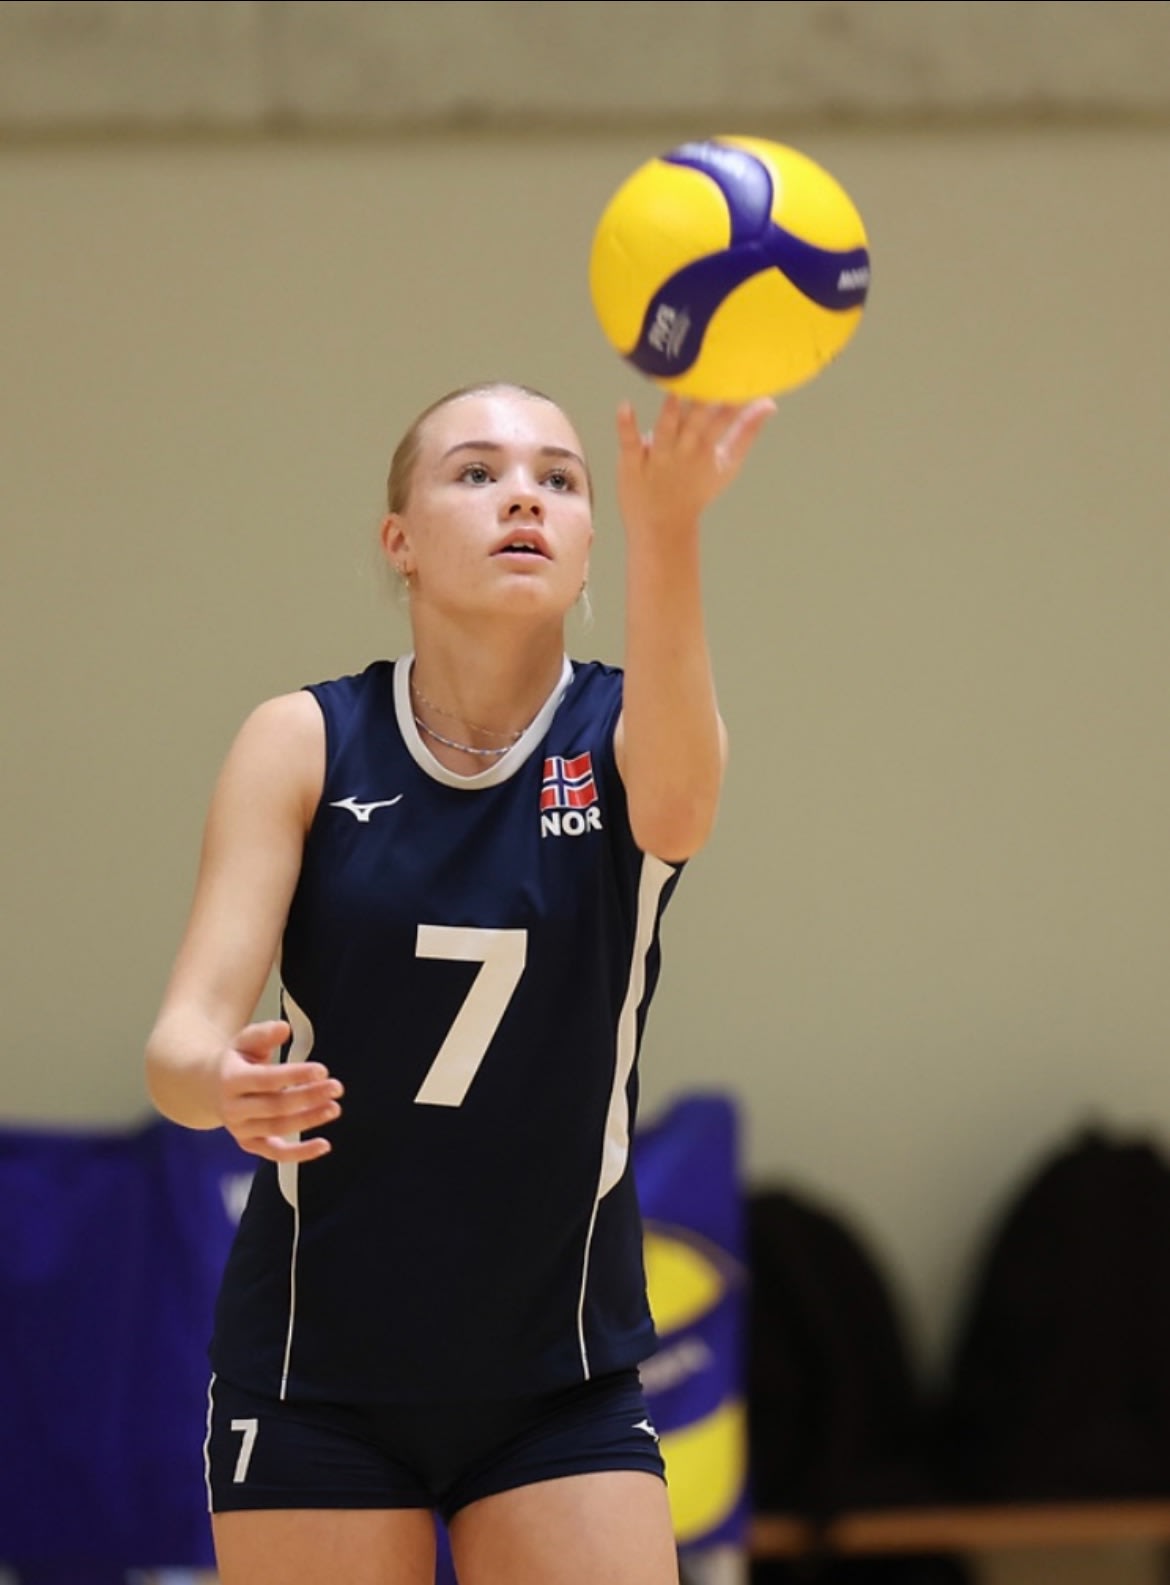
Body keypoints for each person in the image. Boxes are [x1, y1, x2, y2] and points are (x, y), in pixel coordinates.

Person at [144, 379, 774, 1585]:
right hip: (315, 1366)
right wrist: (217, 1083)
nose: (522, 496)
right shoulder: (302, 741)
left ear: (589, 544)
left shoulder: (629, 733)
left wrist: (673, 523)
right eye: (476, 472)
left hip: (560, 1370)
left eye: (560, 479)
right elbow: (181, 1043)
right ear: (400, 541)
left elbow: (685, 808)